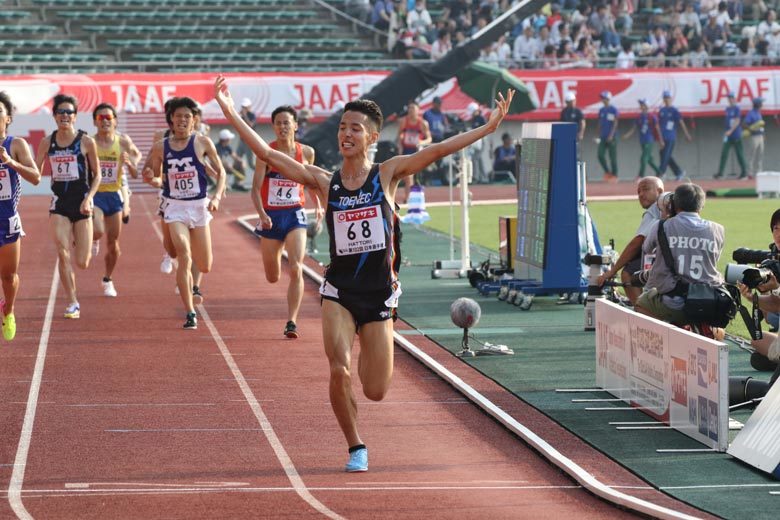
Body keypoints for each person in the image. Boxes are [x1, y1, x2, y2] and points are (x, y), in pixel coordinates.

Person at [214, 74, 514, 473]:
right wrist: (230, 111)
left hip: (379, 295)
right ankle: (356, 445)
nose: (346, 134)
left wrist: (489, 127)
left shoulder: (387, 174)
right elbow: (269, 157)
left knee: (374, 389)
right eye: (342, 127)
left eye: (355, 128)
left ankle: (368, 383)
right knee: (338, 368)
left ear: (372, 137)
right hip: (339, 290)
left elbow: (439, 149)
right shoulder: (324, 181)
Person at [142, 97, 226, 329]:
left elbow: (222, 174)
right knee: (184, 255)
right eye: (178, 116)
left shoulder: (203, 142)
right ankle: (190, 312)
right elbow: (153, 175)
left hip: (199, 206)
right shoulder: (161, 146)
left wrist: (217, 196)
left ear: (194, 120)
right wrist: (151, 177)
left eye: (187, 116)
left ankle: (190, 282)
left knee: (205, 264)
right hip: (175, 206)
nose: (182, 120)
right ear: (171, 119)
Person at [252, 105, 320, 339]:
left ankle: (291, 321)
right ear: (273, 127)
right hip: (271, 217)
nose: (282, 127)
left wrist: (319, 206)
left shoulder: (307, 152)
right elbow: (254, 191)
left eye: (286, 122)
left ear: (295, 126)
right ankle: (276, 255)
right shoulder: (266, 153)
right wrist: (262, 215)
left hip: (295, 214)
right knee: (272, 276)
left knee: (296, 267)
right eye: (278, 123)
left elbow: (312, 183)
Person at [35, 94, 101, 319]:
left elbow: (98, 175)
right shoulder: (47, 142)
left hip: (82, 202)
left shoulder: (86, 141)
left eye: (68, 112)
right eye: (60, 112)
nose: (64, 115)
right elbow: (35, 173)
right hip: (59, 203)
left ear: (75, 116)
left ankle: (87, 238)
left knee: (82, 262)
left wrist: (89, 198)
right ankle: (72, 301)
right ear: (54, 116)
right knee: (63, 253)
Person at [635, 183, 725, 327]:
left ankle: (670, 333)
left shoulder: (660, 226)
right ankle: (709, 330)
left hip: (674, 303)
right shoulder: (718, 229)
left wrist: (665, 216)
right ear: (701, 206)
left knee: (641, 303)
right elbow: (713, 259)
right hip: (709, 299)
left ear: (673, 204)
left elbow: (646, 248)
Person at [0, 92, 41, 339]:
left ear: (8, 119)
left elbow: (36, 177)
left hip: (7, 220)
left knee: (8, 276)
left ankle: (9, 309)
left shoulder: (16, 145)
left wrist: (10, 162)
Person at [91, 103, 141, 298]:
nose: (105, 121)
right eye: (101, 118)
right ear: (95, 121)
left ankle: (107, 279)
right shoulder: (90, 142)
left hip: (114, 194)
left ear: (115, 121)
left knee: (113, 244)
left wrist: (132, 161)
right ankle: (93, 238)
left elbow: (136, 155)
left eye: (108, 118)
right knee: (98, 230)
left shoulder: (122, 141)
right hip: (95, 194)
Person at [597, 177, 664, 305]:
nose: (641, 195)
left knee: (628, 273)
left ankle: (642, 313)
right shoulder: (672, 202)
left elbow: (637, 243)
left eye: (645, 189)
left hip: (666, 260)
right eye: (638, 191)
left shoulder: (654, 209)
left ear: (659, 191)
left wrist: (612, 271)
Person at [396, 101, 431, 201]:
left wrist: (421, 141)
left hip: (417, 150)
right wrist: (400, 144)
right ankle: (408, 198)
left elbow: (429, 138)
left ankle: (413, 197)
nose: (411, 111)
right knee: (408, 175)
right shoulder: (404, 121)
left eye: (413, 109)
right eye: (409, 109)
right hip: (406, 150)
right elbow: (399, 135)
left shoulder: (423, 123)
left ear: (418, 111)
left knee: (415, 176)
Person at [657, 91, 693, 181]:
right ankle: (679, 172)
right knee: (665, 155)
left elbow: (681, 122)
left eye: (668, 97)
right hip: (663, 137)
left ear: (670, 98)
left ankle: (661, 173)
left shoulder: (674, 111)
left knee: (665, 155)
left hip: (671, 137)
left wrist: (687, 134)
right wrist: (660, 138)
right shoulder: (661, 111)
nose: (666, 99)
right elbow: (659, 125)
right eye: (665, 98)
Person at [622, 99, 661, 179]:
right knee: (649, 159)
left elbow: (657, 128)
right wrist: (627, 135)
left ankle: (640, 175)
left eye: (642, 104)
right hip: (642, 140)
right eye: (640, 105)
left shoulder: (651, 116)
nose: (641, 106)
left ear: (646, 106)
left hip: (649, 140)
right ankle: (659, 173)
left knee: (643, 158)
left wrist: (661, 140)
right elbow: (634, 128)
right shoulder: (639, 117)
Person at [715, 91, 748, 179]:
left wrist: (731, 130)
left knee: (739, 154)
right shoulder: (727, 109)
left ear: (734, 98)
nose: (729, 99)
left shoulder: (737, 108)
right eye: (728, 98)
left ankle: (744, 172)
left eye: (731, 98)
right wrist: (727, 132)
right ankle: (720, 173)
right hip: (728, 136)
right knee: (724, 153)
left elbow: (737, 121)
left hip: (736, 134)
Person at [597, 90, 619, 182]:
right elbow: (600, 123)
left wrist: (611, 135)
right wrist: (598, 134)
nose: (603, 100)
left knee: (612, 157)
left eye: (604, 98)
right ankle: (607, 172)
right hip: (602, 136)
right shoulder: (601, 110)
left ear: (608, 99)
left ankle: (615, 175)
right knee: (600, 154)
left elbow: (615, 123)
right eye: (602, 98)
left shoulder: (613, 109)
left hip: (612, 137)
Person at [743, 97, 765, 177]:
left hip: (760, 136)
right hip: (754, 137)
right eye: (761, 103)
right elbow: (744, 124)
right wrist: (751, 129)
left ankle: (759, 172)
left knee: (760, 154)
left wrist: (762, 134)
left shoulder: (759, 113)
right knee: (752, 154)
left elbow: (761, 125)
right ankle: (750, 173)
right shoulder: (751, 113)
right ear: (758, 104)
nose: (762, 104)